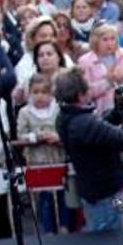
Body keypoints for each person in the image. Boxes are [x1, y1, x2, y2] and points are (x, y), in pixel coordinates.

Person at [55, 68, 123, 232]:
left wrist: (117, 112)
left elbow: (97, 129)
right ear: (81, 95)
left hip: (94, 189)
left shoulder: (65, 117)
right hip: (105, 193)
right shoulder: (83, 123)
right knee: (109, 243)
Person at [17, 73, 73, 234]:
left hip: (58, 159)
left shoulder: (58, 109)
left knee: (63, 196)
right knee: (45, 198)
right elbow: (20, 134)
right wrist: (36, 137)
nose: (40, 96)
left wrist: (57, 136)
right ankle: (48, 229)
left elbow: (67, 130)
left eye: (44, 92)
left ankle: (64, 226)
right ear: (30, 93)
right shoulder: (25, 112)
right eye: (36, 92)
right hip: (38, 162)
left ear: (51, 93)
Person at [76, 24, 123, 115]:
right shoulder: (85, 61)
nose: (109, 43)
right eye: (105, 40)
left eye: (112, 39)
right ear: (96, 41)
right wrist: (107, 82)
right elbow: (84, 94)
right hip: (99, 113)